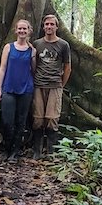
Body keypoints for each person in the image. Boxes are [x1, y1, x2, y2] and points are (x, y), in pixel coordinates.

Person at [0, 19, 36, 162]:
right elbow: (2, 68)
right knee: (7, 121)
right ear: (16, 30)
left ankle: (15, 152)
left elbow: (33, 70)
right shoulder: (8, 47)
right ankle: (7, 149)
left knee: (21, 122)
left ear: (29, 31)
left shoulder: (32, 50)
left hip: (26, 90)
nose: (22, 31)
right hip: (9, 88)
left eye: (24, 29)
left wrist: (33, 56)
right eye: (19, 29)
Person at [32, 14, 71, 159]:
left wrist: (61, 84)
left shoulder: (63, 45)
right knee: (37, 118)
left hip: (55, 85)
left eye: (52, 24)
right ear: (43, 27)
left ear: (56, 27)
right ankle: (37, 150)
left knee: (52, 118)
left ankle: (50, 151)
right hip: (38, 85)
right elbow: (33, 64)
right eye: (46, 24)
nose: (49, 27)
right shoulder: (37, 44)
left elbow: (67, 67)